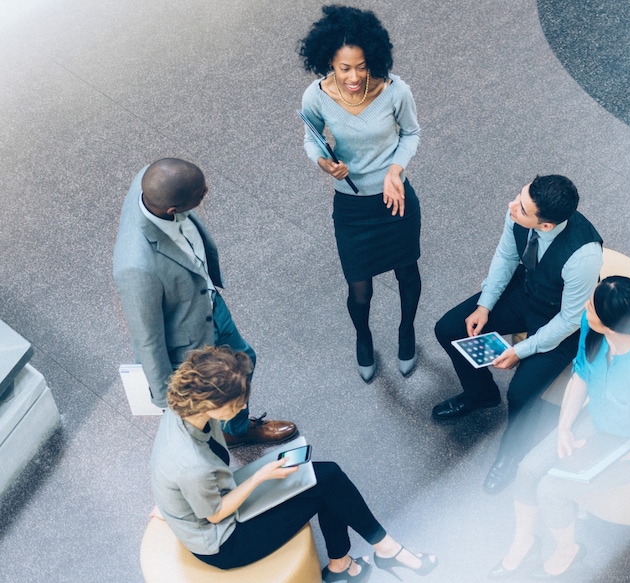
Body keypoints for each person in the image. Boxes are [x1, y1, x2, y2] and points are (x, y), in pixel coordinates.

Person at [150, 346, 438, 581]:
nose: (241, 409)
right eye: (236, 404)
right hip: (225, 541)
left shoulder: (184, 410)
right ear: (211, 403)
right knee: (325, 491)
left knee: (328, 476)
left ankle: (356, 559)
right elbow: (214, 515)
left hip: (219, 496)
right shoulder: (192, 465)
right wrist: (260, 476)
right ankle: (374, 555)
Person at [490, 276, 630, 579]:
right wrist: (565, 428)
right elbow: (581, 374)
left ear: (611, 324)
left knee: (552, 490)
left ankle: (569, 550)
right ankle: (524, 542)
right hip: (600, 420)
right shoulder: (594, 332)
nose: (584, 307)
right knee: (528, 469)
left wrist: (594, 456)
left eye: (591, 306)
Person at [433, 175, 603, 494]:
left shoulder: (584, 255)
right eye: (518, 197)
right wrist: (485, 305)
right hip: (525, 292)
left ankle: (512, 456)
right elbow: (506, 258)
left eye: (522, 208)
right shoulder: (517, 212)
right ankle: (480, 393)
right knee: (448, 328)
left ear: (546, 226)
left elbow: (569, 319)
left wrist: (520, 352)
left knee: (521, 393)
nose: (512, 206)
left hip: (558, 318)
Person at [113, 158, 296, 447]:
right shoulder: (136, 268)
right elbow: (147, 338)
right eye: (201, 194)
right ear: (172, 209)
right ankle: (229, 435)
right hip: (190, 340)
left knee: (245, 361)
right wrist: (167, 399)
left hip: (209, 303)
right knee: (219, 390)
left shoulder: (152, 181)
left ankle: (234, 428)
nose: (207, 191)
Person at [299, 5, 422, 383]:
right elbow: (311, 140)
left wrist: (395, 171)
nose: (354, 77)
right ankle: (363, 336)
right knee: (359, 288)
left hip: (395, 197)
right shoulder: (316, 97)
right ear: (328, 64)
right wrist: (325, 164)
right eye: (344, 68)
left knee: (407, 272)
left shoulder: (396, 91)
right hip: (351, 206)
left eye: (362, 66)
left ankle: (406, 332)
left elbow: (411, 134)